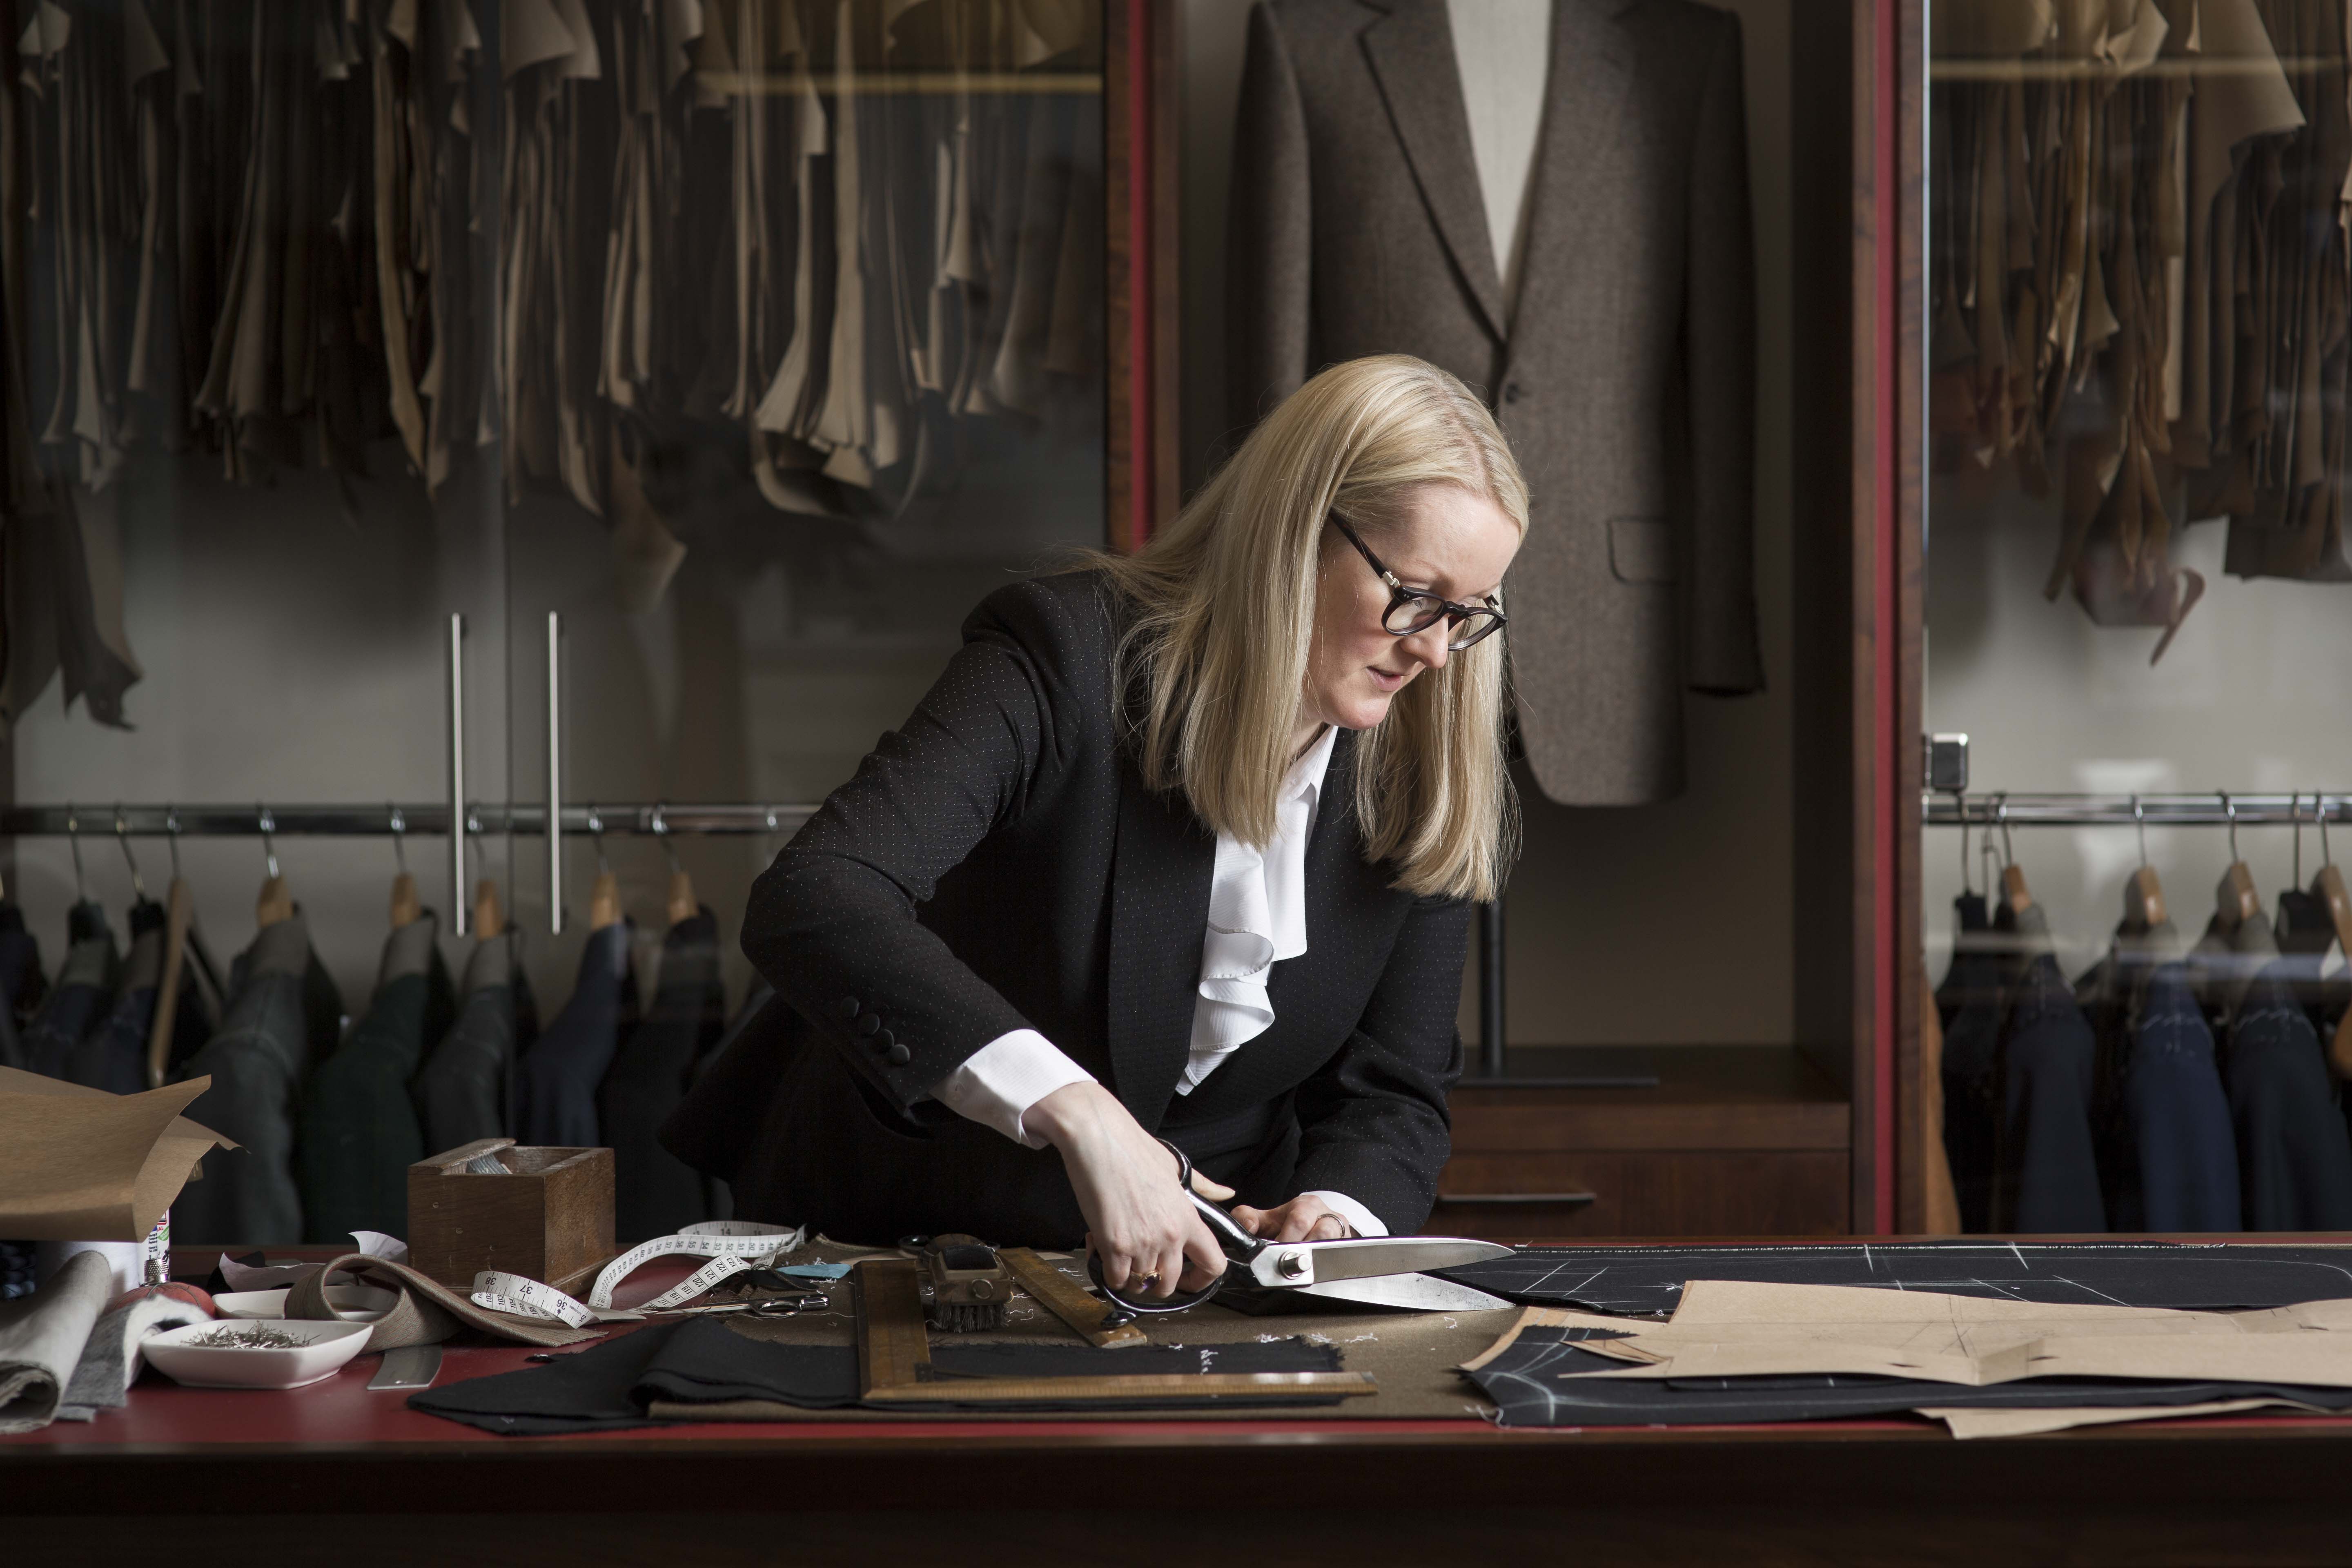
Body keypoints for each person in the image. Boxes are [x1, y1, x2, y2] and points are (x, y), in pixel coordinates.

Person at [662, 354, 1528, 1301]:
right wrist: (1078, 1110)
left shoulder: (1426, 764)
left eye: (1467, 615)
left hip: (1203, 1286)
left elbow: (1392, 1092)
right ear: (1295, 535)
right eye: (1413, 596)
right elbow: (816, 897)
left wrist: (1335, 1215)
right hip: (906, 1236)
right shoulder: (1060, 657)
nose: (1438, 653)